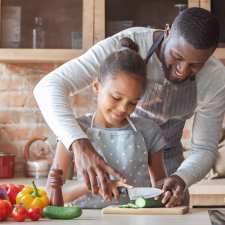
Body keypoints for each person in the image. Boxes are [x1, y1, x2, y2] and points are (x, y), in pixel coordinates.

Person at [34, 7, 225, 207]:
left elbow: (204, 148)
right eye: (177, 56)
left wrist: (181, 178)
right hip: (92, 152)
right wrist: (79, 144)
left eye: (195, 65)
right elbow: (48, 87)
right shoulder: (124, 44)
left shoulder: (215, 77)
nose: (182, 71)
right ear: (168, 32)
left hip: (169, 162)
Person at [48, 45, 170, 208]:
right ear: (97, 87)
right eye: (116, 97)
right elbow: (52, 194)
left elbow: (159, 187)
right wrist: (95, 185)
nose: (123, 109)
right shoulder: (74, 130)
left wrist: (169, 193)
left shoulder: (149, 131)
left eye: (133, 103)